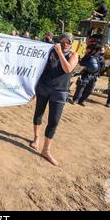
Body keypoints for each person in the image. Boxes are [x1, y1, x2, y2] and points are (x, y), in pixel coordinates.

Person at [30, 33, 78, 166]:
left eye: (68, 41)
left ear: (71, 43)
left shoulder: (73, 55)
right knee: (38, 113)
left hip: (59, 92)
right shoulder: (50, 50)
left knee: (54, 121)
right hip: (43, 87)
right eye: (62, 41)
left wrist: (60, 53)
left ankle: (46, 150)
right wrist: (33, 87)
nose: (65, 43)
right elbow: (39, 67)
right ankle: (36, 139)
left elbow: (68, 69)